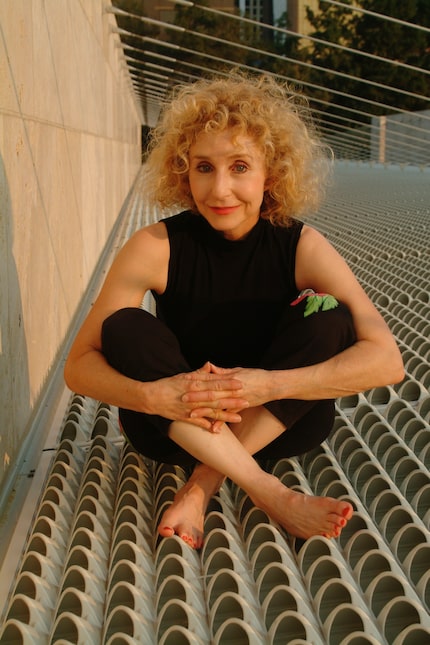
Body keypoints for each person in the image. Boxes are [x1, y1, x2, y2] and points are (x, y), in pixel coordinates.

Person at [64, 73, 404, 549]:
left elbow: (387, 360)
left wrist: (265, 384)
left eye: (240, 166)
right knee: (123, 326)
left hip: (281, 425)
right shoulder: (155, 246)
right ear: (184, 171)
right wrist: (154, 398)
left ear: (273, 172)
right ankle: (272, 493)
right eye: (204, 167)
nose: (220, 190)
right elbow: (78, 367)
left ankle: (202, 485)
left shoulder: (301, 246)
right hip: (170, 428)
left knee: (331, 321)